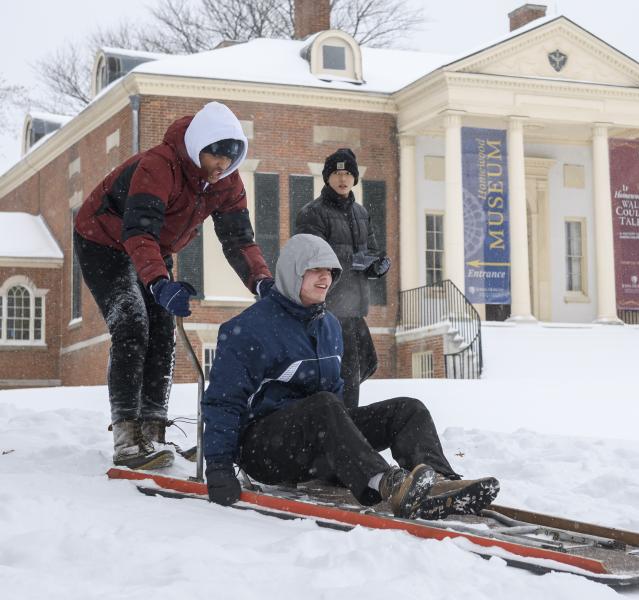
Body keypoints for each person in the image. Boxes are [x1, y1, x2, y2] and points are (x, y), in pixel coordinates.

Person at [202, 234, 499, 519]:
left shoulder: (329, 326)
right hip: (265, 451)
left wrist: (344, 452)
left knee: (407, 409)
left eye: (330, 271)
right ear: (293, 273)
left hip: (317, 442)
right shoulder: (251, 328)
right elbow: (223, 403)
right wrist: (218, 467)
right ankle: (386, 482)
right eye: (315, 270)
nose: (325, 278)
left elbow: (336, 396)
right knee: (324, 405)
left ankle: (439, 485)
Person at [74, 101, 274, 470]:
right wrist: (159, 283)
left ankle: (153, 432)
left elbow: (238, 240)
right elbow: (138, 231)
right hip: (103, 239)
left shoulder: (226, 182)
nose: (222, 166)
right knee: (132, 323)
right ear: (200, 146)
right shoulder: (159, 165)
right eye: (217, 156)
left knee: (163, 332)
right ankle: (126, 435)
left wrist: (261, 282)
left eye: (231, 159)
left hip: (154, 246)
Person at [296, 148, 389, 409]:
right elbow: (312, 258)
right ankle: (345, 423)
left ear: (355, 178)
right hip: (329, 306)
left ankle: (338, 413)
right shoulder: (312, 213)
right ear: (327, 178)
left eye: (348, 173)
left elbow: (370, 251)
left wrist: (376, 266)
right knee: (347, 372)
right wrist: (352, 262)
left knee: (367, 361)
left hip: (355, 306)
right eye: (336, 173)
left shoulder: (361, 213)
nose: (342, 178)